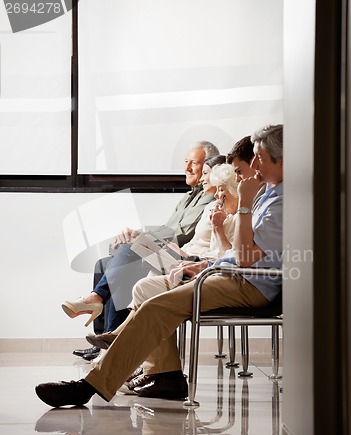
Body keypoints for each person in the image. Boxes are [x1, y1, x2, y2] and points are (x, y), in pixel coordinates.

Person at [35, 124, 283, 407]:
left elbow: (246, 258)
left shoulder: (279, 202)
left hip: (249, 284)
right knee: (146, 289)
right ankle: (165, 375)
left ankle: (91, 384)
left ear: (282, 160)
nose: (253, 165)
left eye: (260, 158)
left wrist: (245, 204)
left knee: (155, 306)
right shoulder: (268, 194)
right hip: (230, 273)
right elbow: (240, 252)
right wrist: (204, 265)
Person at [64, 141, 219, 360]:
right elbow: (168, 229)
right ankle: (102, 340)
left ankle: (99, 306)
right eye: (186, 162)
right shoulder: (188, 197)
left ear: (210, 167)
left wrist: (140, 236)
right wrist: (139, 234)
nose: (188, 169)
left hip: (182, 257)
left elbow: (181, 234)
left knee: (127, 256)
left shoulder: (212, 197)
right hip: (170, 252)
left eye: (194, 164)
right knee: (103, 264)